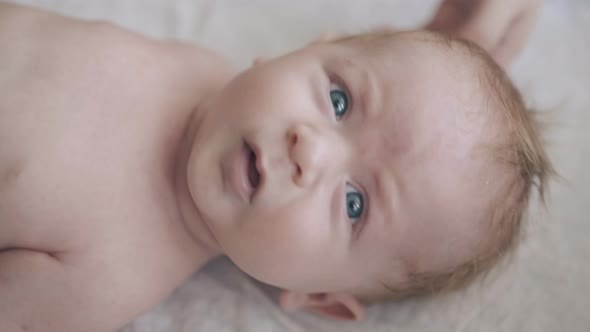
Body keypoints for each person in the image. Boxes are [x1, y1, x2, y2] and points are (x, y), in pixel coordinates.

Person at [0, 0, 551, 331]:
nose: (309, 149)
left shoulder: (109, 276)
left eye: (354, 203)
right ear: (303, 51)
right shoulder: (203, 70)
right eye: (339, 102)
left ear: (316, 296)